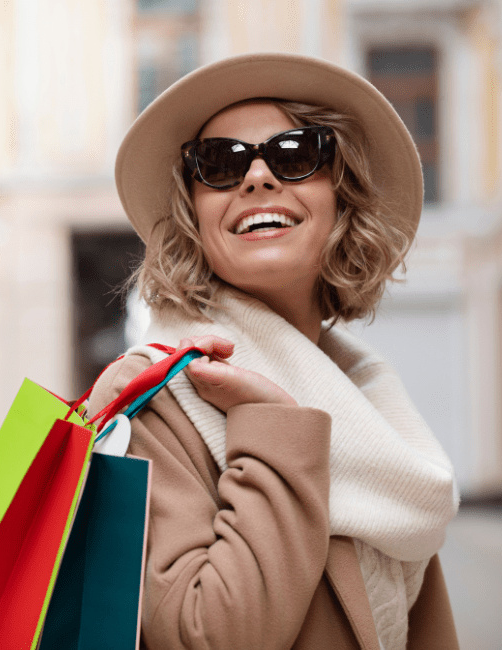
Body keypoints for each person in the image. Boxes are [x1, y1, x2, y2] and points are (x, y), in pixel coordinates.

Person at [86, 53, 460, 650]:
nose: (258, 178)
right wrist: (275, 432)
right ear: (193, 217)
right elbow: (203, 637)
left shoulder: (376, 413)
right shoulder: (150, 396)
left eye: (295, 154)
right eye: (219, 164)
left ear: (343, 197)